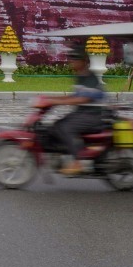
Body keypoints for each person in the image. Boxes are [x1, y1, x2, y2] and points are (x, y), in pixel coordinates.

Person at [46, 46, 108, 175]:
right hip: (83, 113)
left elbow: (82, 99)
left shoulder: (91, 78)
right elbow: (73, 96)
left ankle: (77, 162)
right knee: (56, 125)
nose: (71, 61)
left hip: (93, 116)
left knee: (65, 127)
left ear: (84, 61)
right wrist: (49, 99)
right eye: (71, 58)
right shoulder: (80, 76)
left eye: (75, 59)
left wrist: (56, 102)